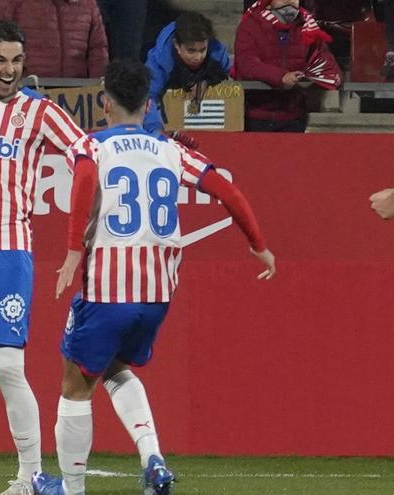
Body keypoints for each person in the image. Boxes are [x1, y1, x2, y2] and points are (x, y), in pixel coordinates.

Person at [31, 60, 276, 495]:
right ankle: (153, 459)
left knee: (75, 381)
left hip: (108, 288)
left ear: (104, 103)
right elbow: (227, 190)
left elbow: (85, 177)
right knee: (116, 368)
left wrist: (72, 251)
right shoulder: (170, 149)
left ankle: (69, 488)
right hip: (157, 293)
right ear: (148, 105)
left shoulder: (94, 145)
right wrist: (258, 244)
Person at [0, 20, 87, 495]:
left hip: (4, 252)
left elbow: (85, 154)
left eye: (18, 61)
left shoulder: (39, 112)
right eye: (2, 60)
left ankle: (30, 476)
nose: (11, 71)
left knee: (6, 366)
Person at [234, 0, 340, 132]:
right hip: (257, 116)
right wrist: (281, 77)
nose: (290, 1)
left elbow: (324, 60)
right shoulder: (250, 25)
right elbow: (247, 64)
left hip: (294, 117)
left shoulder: (308, 26)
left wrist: (329, 76)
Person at [144, 11, 230, 134]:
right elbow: (148, 96)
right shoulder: (161, 59)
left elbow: (225, 71)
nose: (198, 57)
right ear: (177, 46)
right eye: (191, 51)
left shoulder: (217, 51)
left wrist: (207, 81)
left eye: (202, 50)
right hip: (170, 86)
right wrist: (155, 129)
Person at [0, 0, 108, 78]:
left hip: (77, 96)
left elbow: (97, 49)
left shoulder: (88, 4)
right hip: (25, 93)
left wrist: (96, 89)